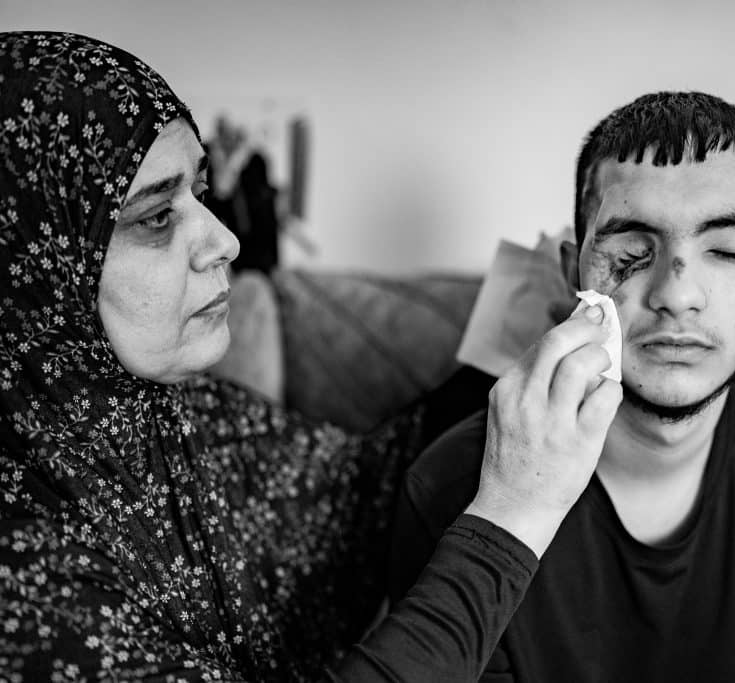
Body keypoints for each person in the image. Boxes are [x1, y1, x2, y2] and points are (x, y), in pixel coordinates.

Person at [0, 32, 622, 682]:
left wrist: (527, 331)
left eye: (201, 194)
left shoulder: (174, 413)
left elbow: (361, 492)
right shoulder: (25, 586)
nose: (227, 240)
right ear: (29, 269)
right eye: (156, 217)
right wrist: (514, 514)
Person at [388, 92, 735, 682]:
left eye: (727, 251)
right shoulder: (452, 489)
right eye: (630, 249)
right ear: (574, 273)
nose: (676, 294)